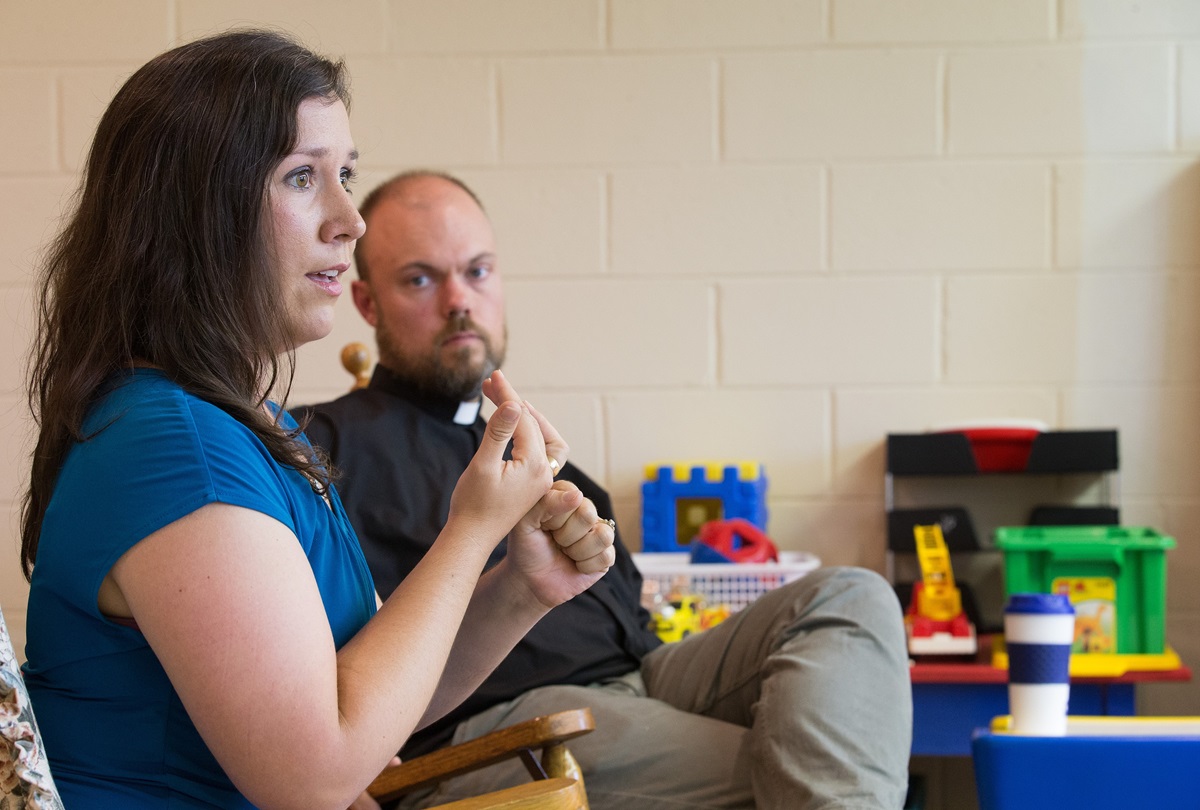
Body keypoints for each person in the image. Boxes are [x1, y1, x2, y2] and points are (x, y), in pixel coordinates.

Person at [18, 32, 616, 809]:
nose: (350, 221)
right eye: (303, 177)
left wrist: (520, 589)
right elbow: (317, 774)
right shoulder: (173, 444)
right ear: (197, 216)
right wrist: (472, 530)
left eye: (346, 175)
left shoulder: (242, 422)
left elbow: (365, 710)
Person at [300, 171, 915, 810]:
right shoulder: (325, 449)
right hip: (504, 719)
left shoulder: (526, 447)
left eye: (478, 272)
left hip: (648, 675)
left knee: (852, 596)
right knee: (801, 773)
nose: (460, 299)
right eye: (420, 279)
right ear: (368, 304)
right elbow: (323, 680)